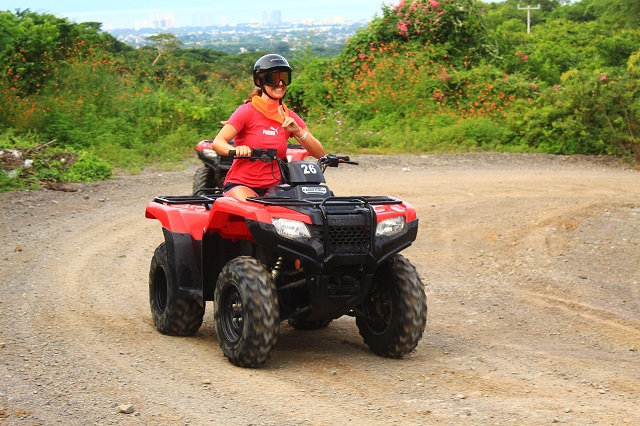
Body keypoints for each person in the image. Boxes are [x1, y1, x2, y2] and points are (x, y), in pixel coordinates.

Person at [211, 54, 325, 200]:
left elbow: (319, 153)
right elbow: (217, 143)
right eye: (274, 79)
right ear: (260, 82)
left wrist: (298, 131)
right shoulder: (246, 111)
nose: (281, 84)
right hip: (242, 185)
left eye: (285, 78)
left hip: (275, 187)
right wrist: (235, 150)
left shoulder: (288, 116)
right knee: (254, 209)